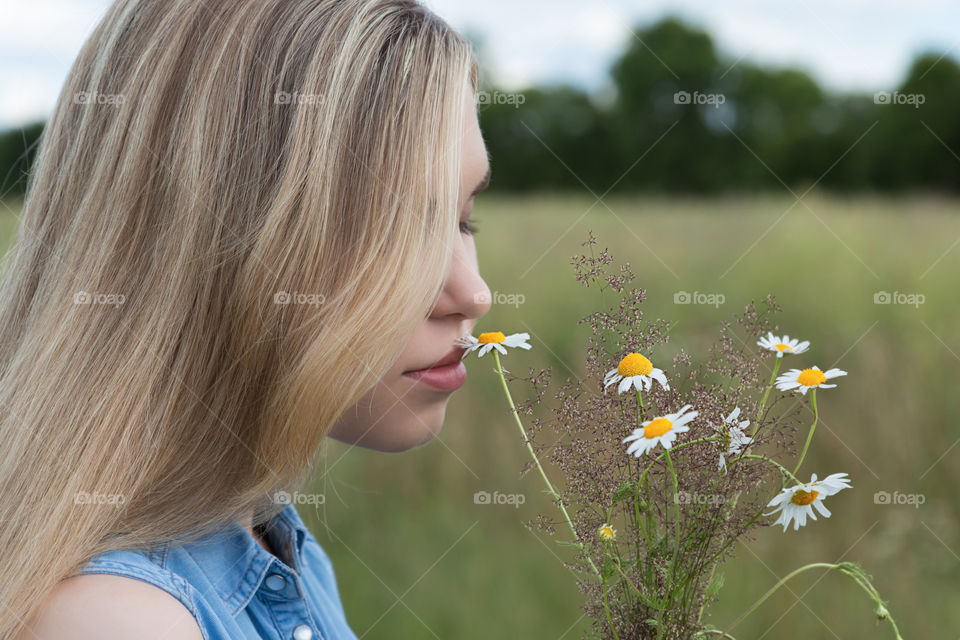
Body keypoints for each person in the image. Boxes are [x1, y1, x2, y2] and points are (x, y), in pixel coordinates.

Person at [0, 1, 492, 637]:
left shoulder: (266, 535)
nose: (472, 294)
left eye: (463, 219)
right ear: (202, 244)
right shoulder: (123, 619)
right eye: (391, 231)